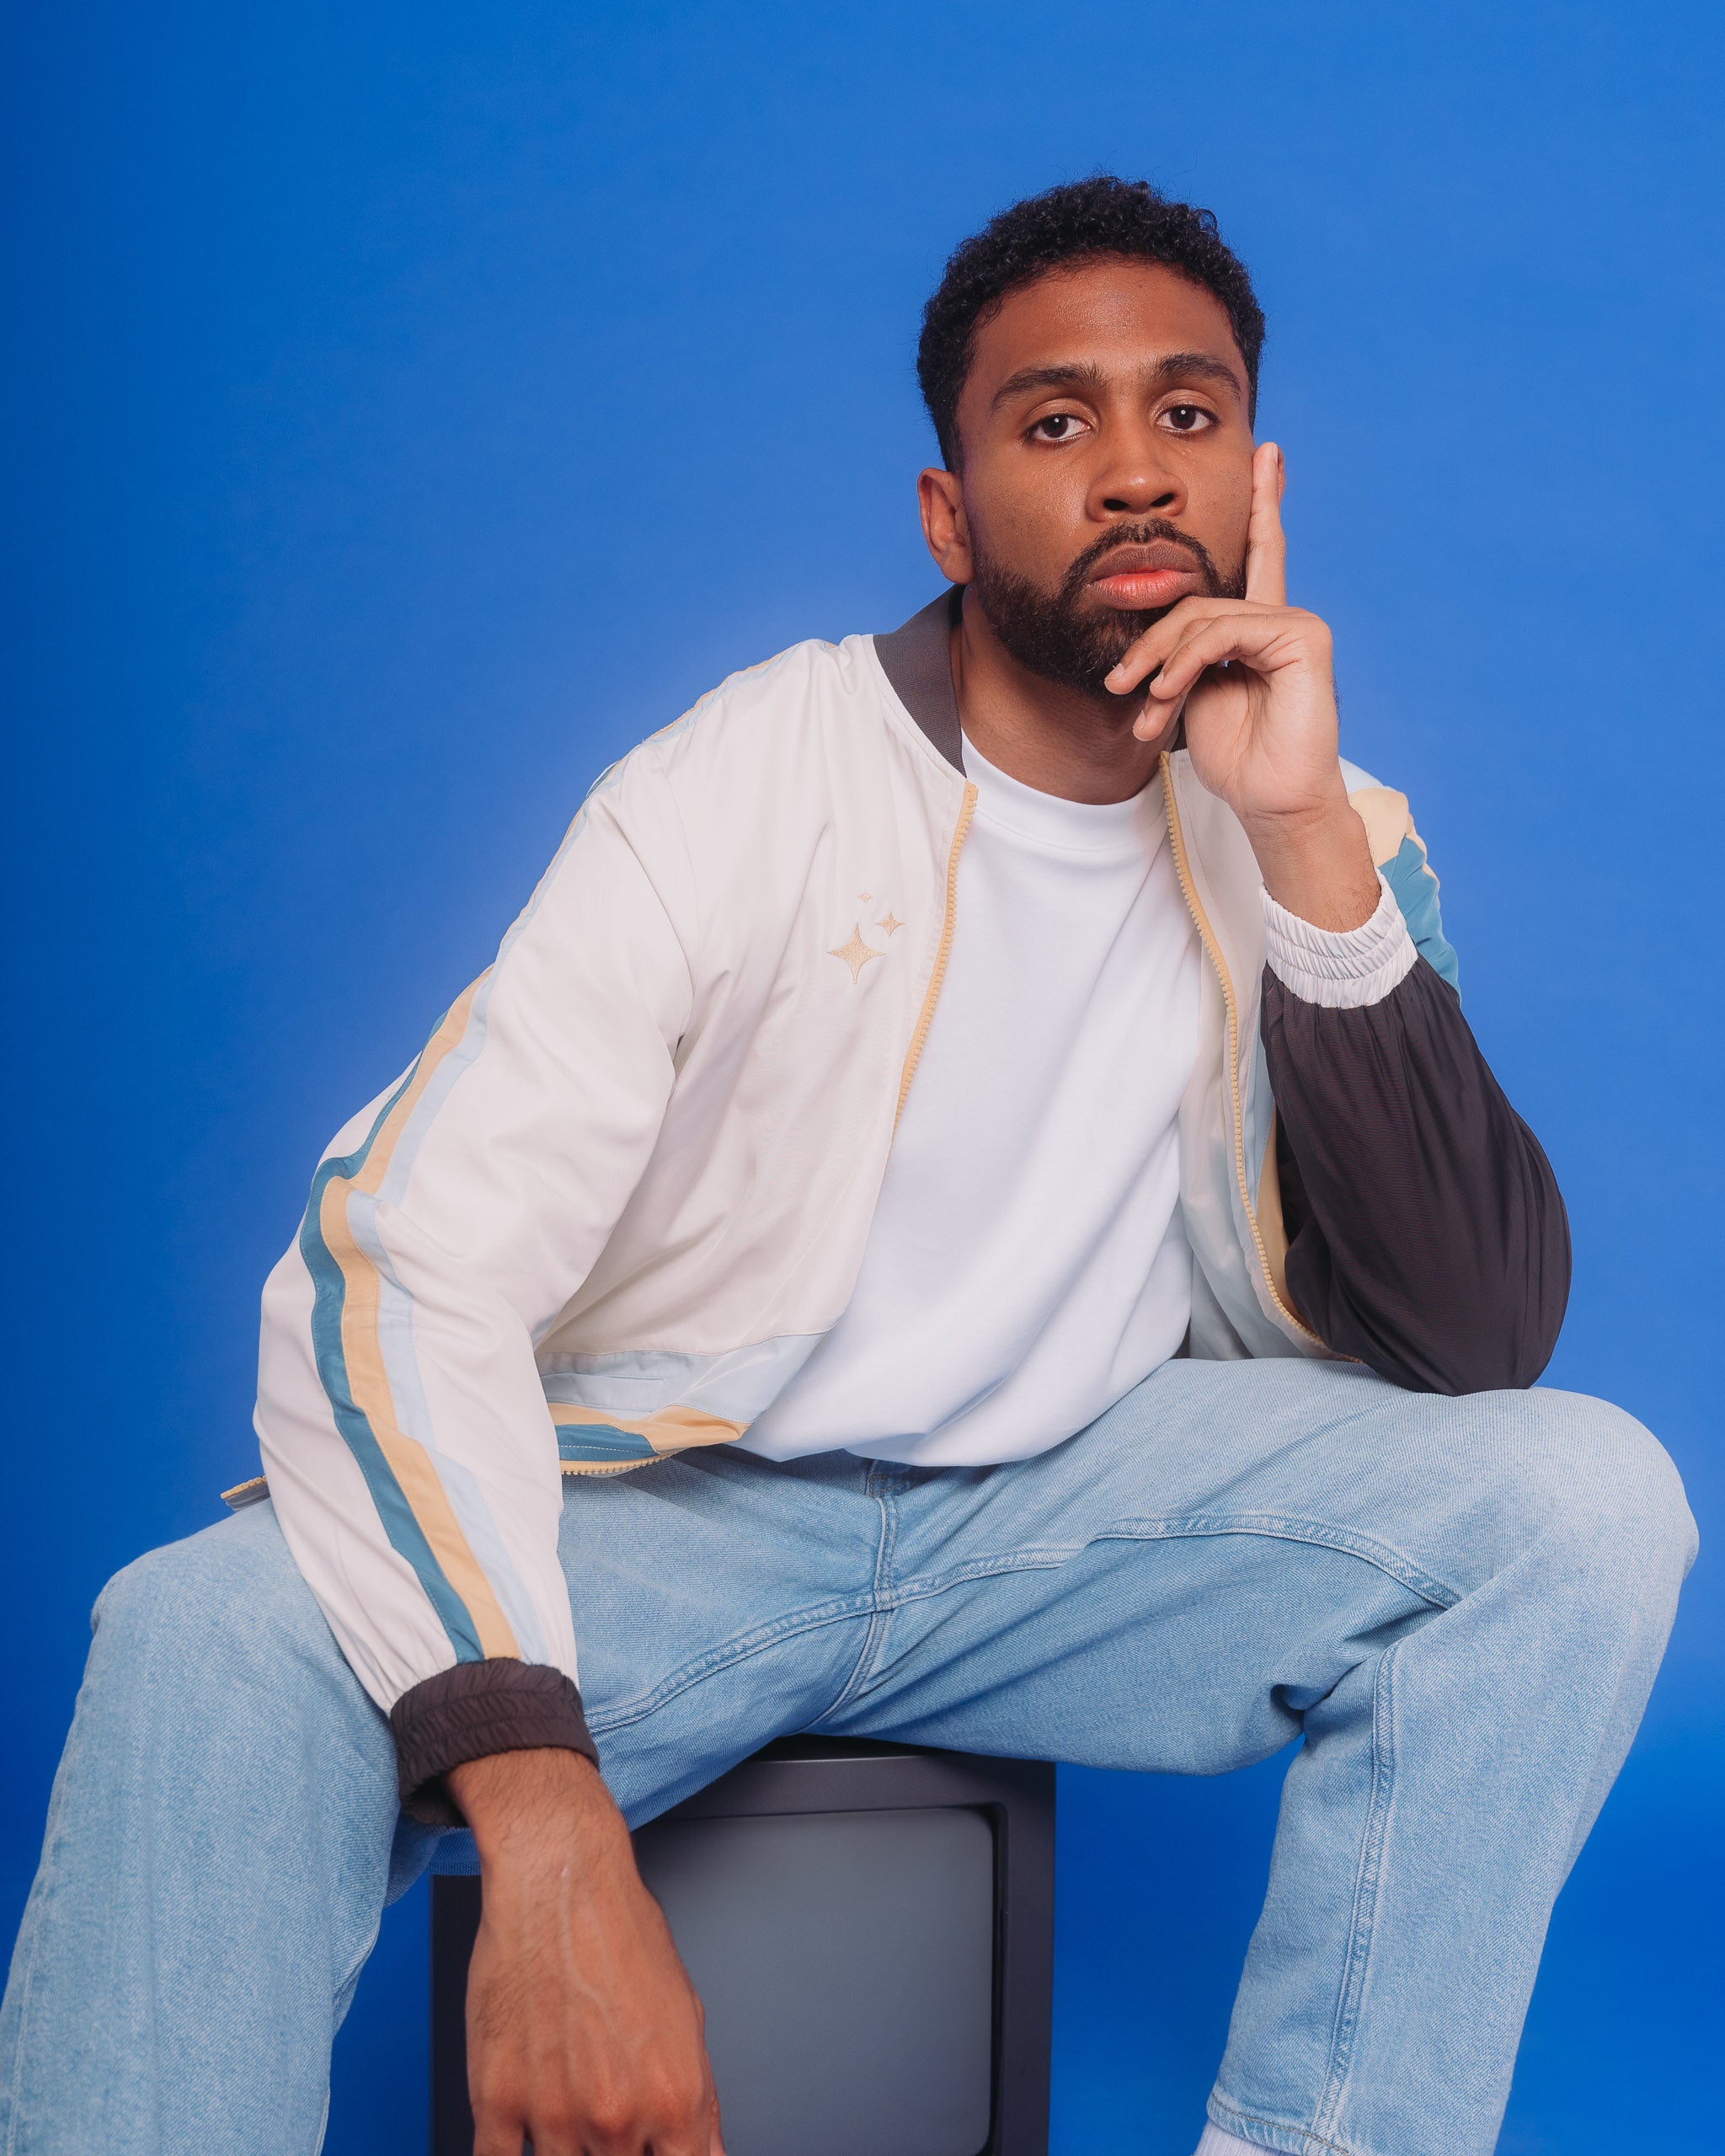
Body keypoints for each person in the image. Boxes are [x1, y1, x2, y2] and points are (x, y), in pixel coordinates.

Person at [0, 175, 1696, 2156]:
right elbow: (400, 1260)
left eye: (1188, 411)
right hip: (682, 1509)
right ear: (949, 514)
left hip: (1070, 1520)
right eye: (1054, 421)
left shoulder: (1324, 821)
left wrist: (1303, 828)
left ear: (1258, 478)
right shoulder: (745, 778)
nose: (1133, 468)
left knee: (1582, 1499)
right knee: (200, 1632)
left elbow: (1476, 1332)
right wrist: (548, 1829)